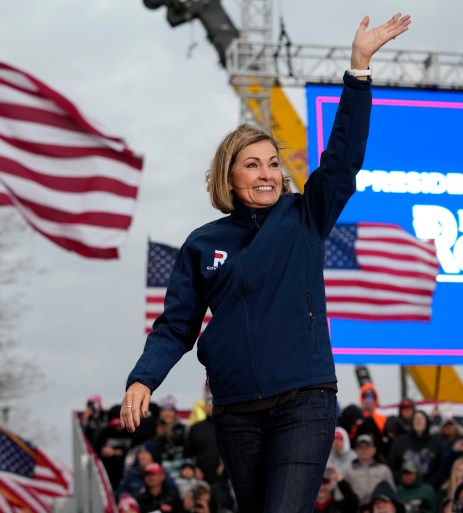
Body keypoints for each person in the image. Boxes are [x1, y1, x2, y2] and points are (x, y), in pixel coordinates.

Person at [120, 12, 412, 513]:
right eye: (252, 164)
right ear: (229, 178)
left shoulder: (305, 216)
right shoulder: (202, 243)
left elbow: (342, 159)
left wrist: (359, 69)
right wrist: (143, 379)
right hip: (235, 412)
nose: (267, 173)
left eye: (273, 163)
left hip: (305, 401)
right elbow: (175, 326)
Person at [343, 434, 396, 502]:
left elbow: (392, 491)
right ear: (356, 450)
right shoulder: (347, 471)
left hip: (378, 506)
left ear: (374, 450)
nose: (364, 450)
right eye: (360, 447)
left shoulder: (384, 469)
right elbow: (340, 496)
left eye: (367, 447)